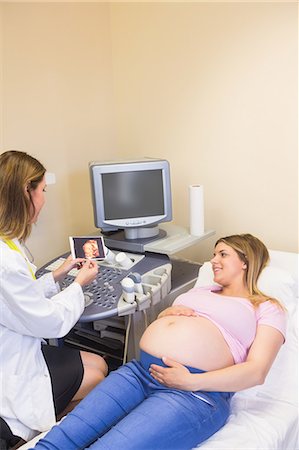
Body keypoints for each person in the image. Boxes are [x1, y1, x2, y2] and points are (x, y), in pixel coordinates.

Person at [31, 233, 287, 450]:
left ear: (245, 261)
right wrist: (167, 315)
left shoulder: (265, 307)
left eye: (222, 254)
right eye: (214, 255)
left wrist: (191, 381)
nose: (213, 261)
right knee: (60, 439)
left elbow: (257, 371)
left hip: (192, 393)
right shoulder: (200, 292)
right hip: (139, 372)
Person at [0, 151, 108, 447]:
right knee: (98, 375)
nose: (44, 199)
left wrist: (57, 275)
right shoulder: (4, 261)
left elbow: (16, 302)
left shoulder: (7, 243)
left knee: (99, 364)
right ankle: (56, 440)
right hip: (13, 369)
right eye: (42, 190)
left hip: (19, 345)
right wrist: (80, 284)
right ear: (26, 192)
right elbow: (50, 322)